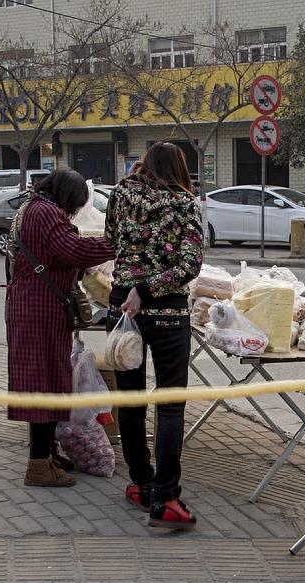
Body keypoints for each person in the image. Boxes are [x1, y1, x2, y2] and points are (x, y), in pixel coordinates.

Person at [105, 141, 205, 530]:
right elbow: (190, 263)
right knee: (170, 403)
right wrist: (148, 289)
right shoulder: (184, 203)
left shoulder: (120, 193)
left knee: (130, 398)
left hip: (122, 308)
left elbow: (113, 240)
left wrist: (134, 284)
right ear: (180, 167)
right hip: (165, 309)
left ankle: (141, 483)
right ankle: (165, 497)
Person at [5, 168, 114, 487]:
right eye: (75, 205)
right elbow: (72, 250)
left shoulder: (35, 207)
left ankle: (46, 454)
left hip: (34, 304)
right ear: (66, 195)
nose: (74, 211)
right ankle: (38, 465)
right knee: (44, 385)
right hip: (38, 307)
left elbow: (62, 251)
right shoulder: (45, 212)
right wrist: (115, 245)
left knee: (47, 381)